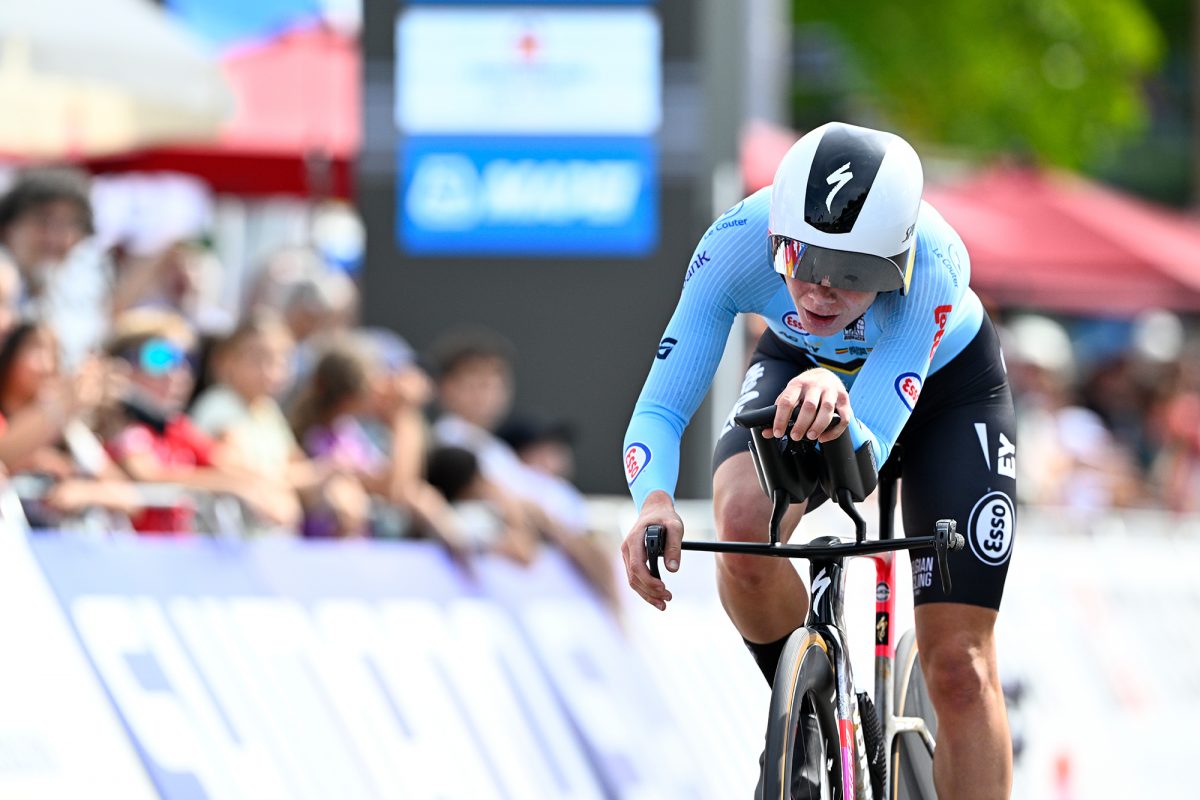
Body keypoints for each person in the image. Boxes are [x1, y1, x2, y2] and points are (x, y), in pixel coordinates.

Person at [620, 122, 1015, 798]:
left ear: (896, 260)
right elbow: (659, 410)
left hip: (947, 395)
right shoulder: (736, 243)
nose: (819, 291)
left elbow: (862, 466)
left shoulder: (935, 264)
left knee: (958, 664)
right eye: (801, 259)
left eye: (855, 272)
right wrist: (652, 501)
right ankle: (811, 709)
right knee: (744, 530)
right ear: (777, 239)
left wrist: (842, 405)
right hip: (800, 366)